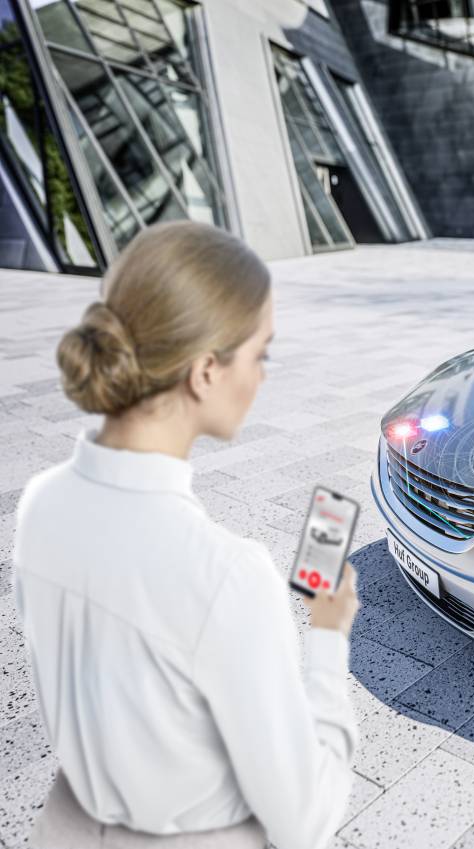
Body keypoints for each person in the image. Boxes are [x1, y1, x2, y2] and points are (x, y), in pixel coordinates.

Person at [11, 221, 360, 849]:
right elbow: (303, 821)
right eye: (261, 354)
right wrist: (329, 638)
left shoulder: (40, 505)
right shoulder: (226, 575)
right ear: (204, 372)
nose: (262, 375)